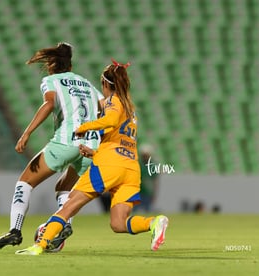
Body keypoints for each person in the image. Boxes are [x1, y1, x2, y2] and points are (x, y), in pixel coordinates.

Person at [15, 59, 169, 255]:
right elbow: (119, 142)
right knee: (118, 223)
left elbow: (110, 121)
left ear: (106, 84)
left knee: (69, 205)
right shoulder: (131, 110)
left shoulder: (114, 100)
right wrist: (95, 152)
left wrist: (84, 127)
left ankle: (39, 245)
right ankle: (154, 222)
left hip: (108, 166)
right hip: (130, 169)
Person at [0, 42, 104, 250]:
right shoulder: (86, 84)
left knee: (25, 182)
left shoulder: (51, 80)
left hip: (66, 142)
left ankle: (15, 231)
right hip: (92, 145)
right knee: (64, 187)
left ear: (51, 64)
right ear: (70, 64)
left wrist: (26, 133)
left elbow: (49, 103)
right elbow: (106, 108)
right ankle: (65, 225)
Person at [133, 144, 159, 212]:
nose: (145, 157)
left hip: (147, 193)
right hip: (137, 192)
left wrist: (154, 193)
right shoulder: (138, 164)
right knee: (134, 211)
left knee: (147, 211)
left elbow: (155, 181)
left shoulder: (152, 166)